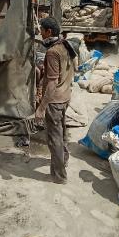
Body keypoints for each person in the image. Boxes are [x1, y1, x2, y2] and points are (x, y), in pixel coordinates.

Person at [35, 17, 77, 184]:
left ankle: (59, 176)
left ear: (49, 32)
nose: (41, 33)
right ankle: (64, 159)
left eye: (42, 31)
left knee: (54, 139)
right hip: (65, 97)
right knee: (61, 134)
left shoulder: (53, 52)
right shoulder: (66, 45)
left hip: (54, 101)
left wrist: (41, 107)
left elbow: (52, 82)